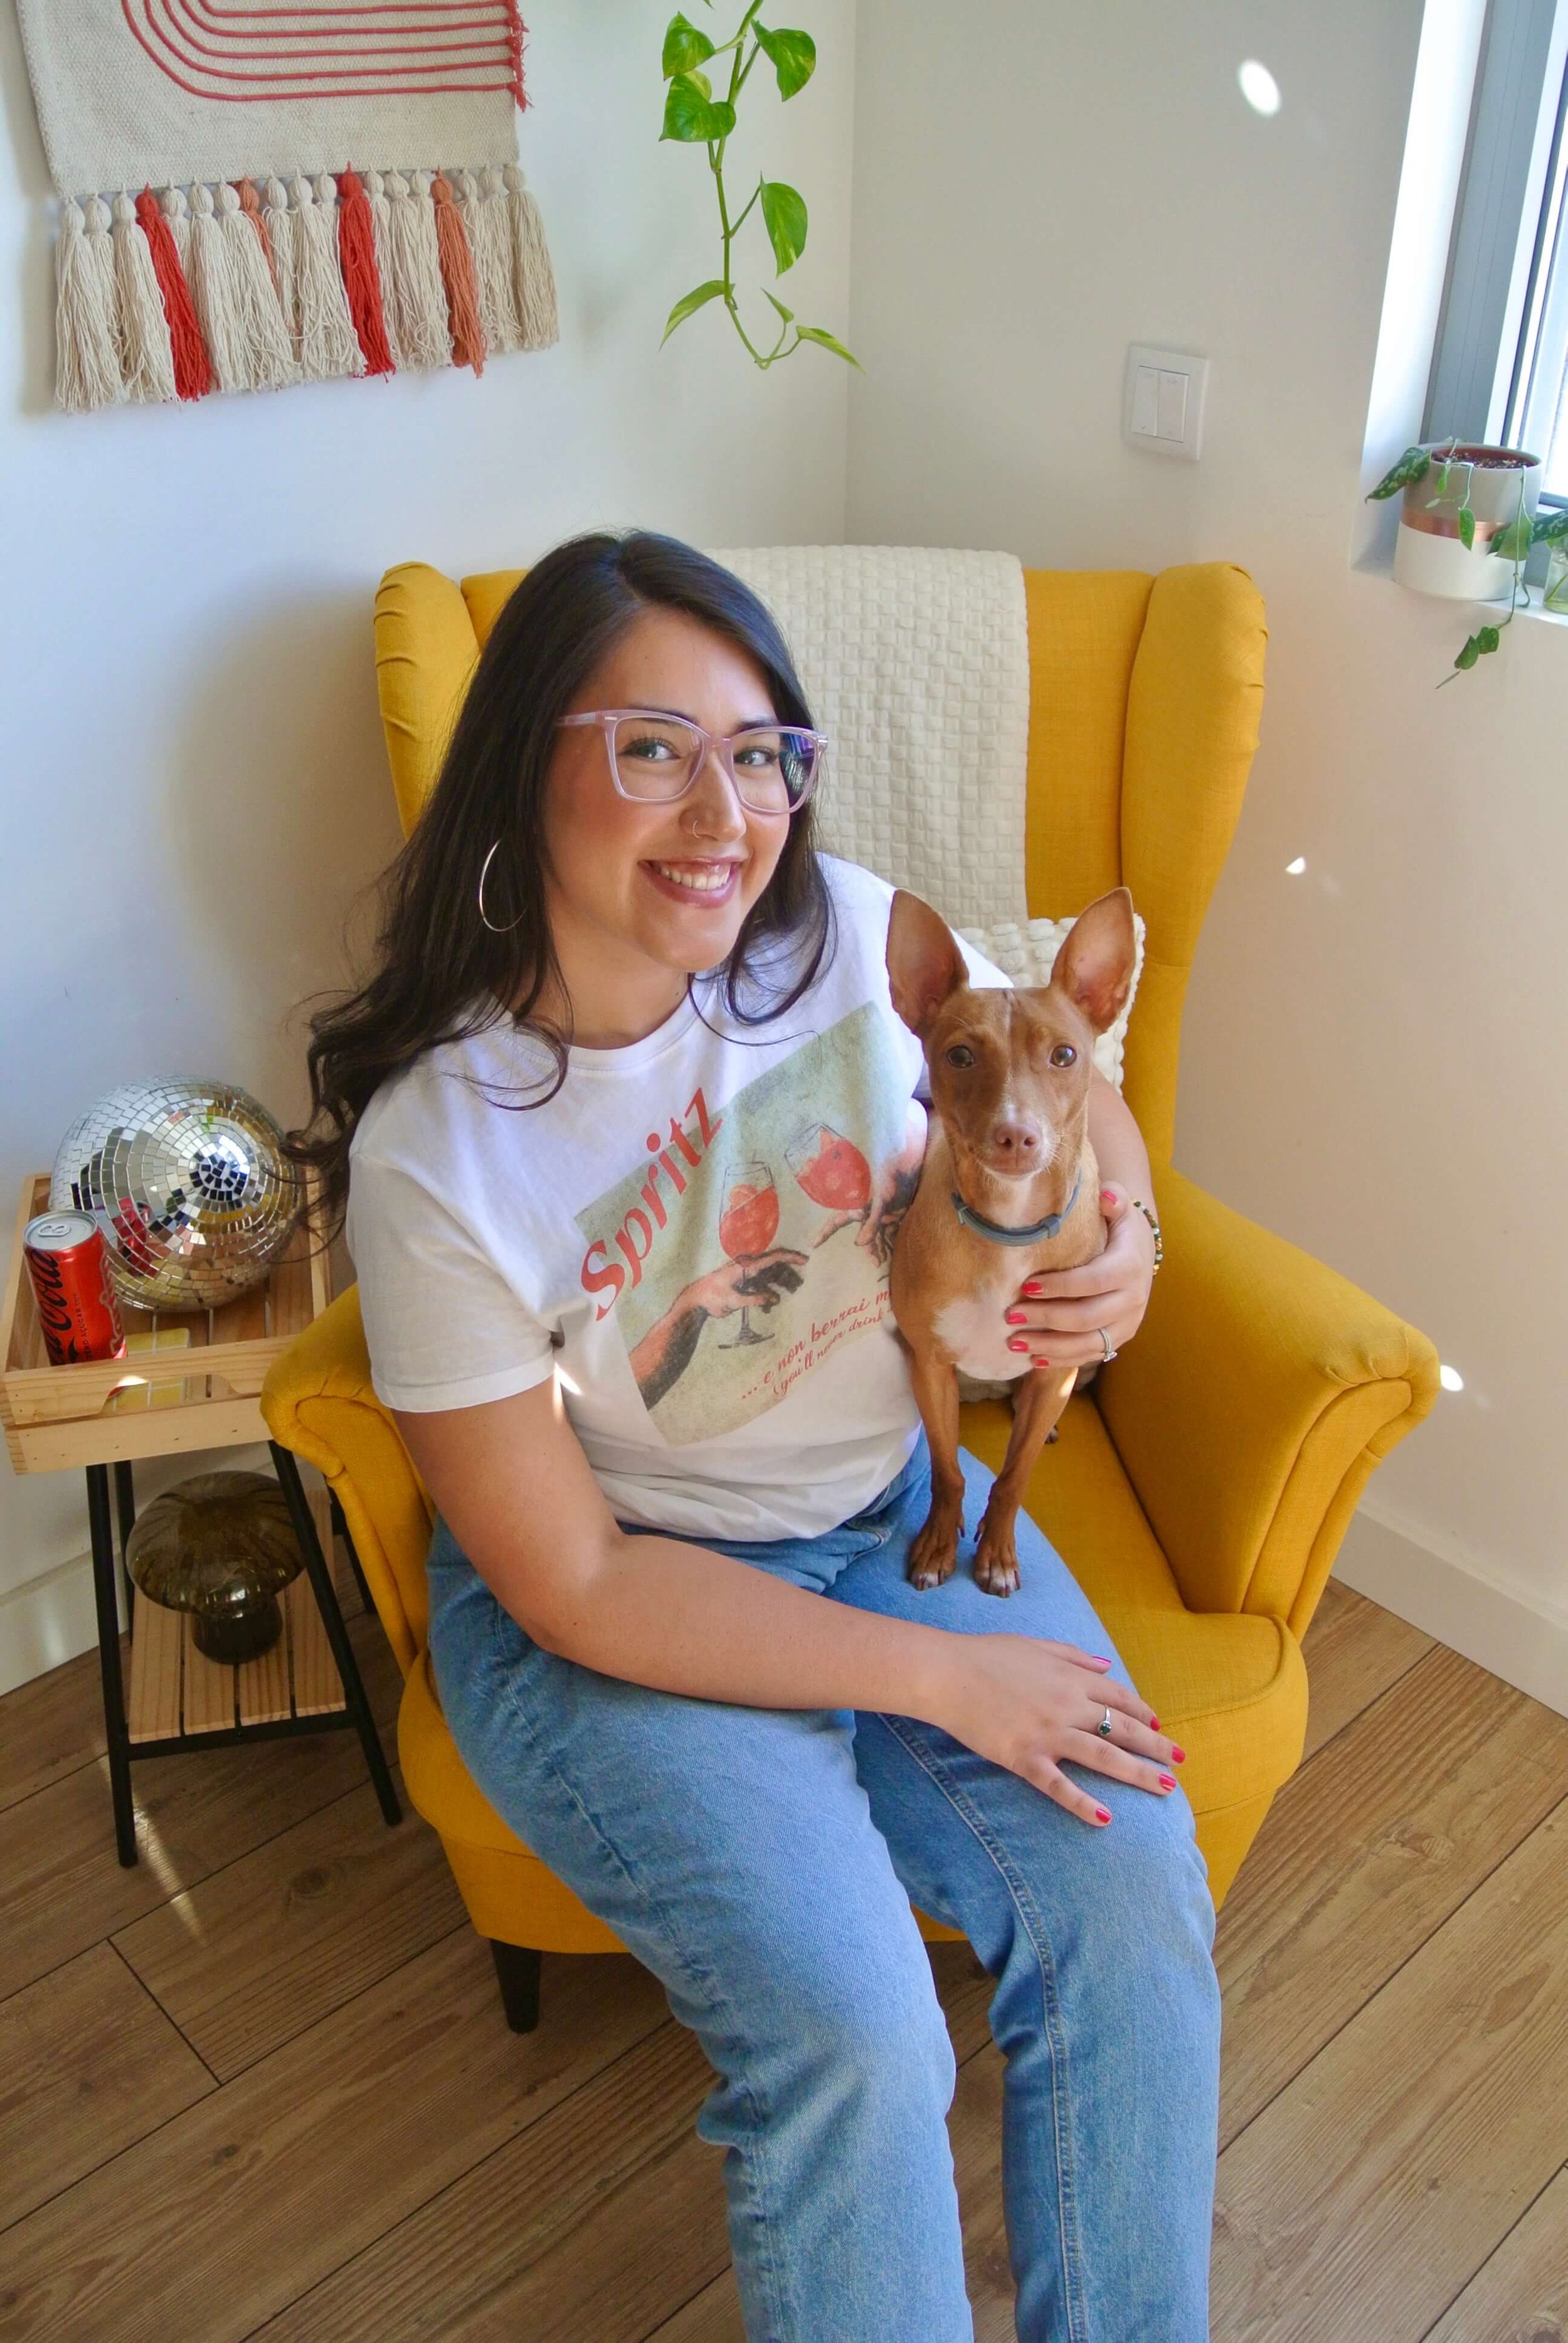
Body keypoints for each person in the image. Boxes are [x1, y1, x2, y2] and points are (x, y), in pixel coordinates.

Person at [287, 531, 1220, 2342]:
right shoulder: (438, 1156)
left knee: (1127, 1902)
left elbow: (1067, 1096)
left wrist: (1135, 1245)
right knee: (858, 2032)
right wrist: (940, 1683)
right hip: (621, 1613)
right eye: (652, 745)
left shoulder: (852, 944)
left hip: (890, 1520)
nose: (726, 810)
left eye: (761, 750)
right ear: (520, 771)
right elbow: (574, 1581)